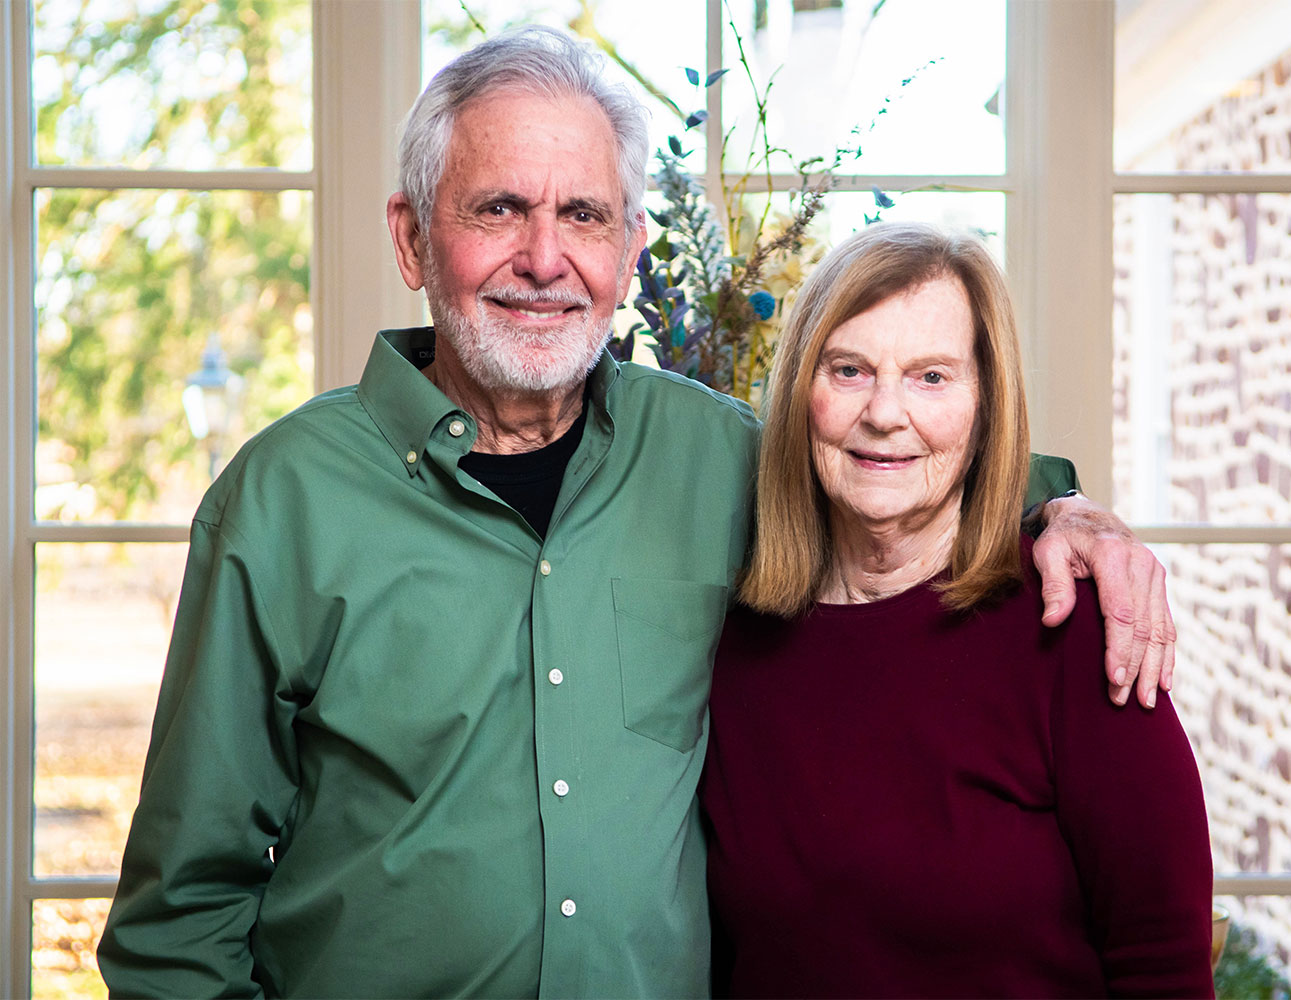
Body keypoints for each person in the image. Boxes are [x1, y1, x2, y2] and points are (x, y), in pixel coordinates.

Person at [98, 26, 1178, 999]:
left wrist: (1067, 507)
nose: (544, 258)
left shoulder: (713, 456)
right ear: (413, 237)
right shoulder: (281, 500)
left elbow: (893, 464)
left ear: (631, 250)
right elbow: (179, 920)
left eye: (583, 215)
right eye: (499, 209)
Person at [699, 222, 1213, 998]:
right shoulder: (735, 646)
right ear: (801, 393)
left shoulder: (1072, 632)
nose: (883, 412)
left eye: (931, 377)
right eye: (848, 370)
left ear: (984, 412)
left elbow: (1163, 969)